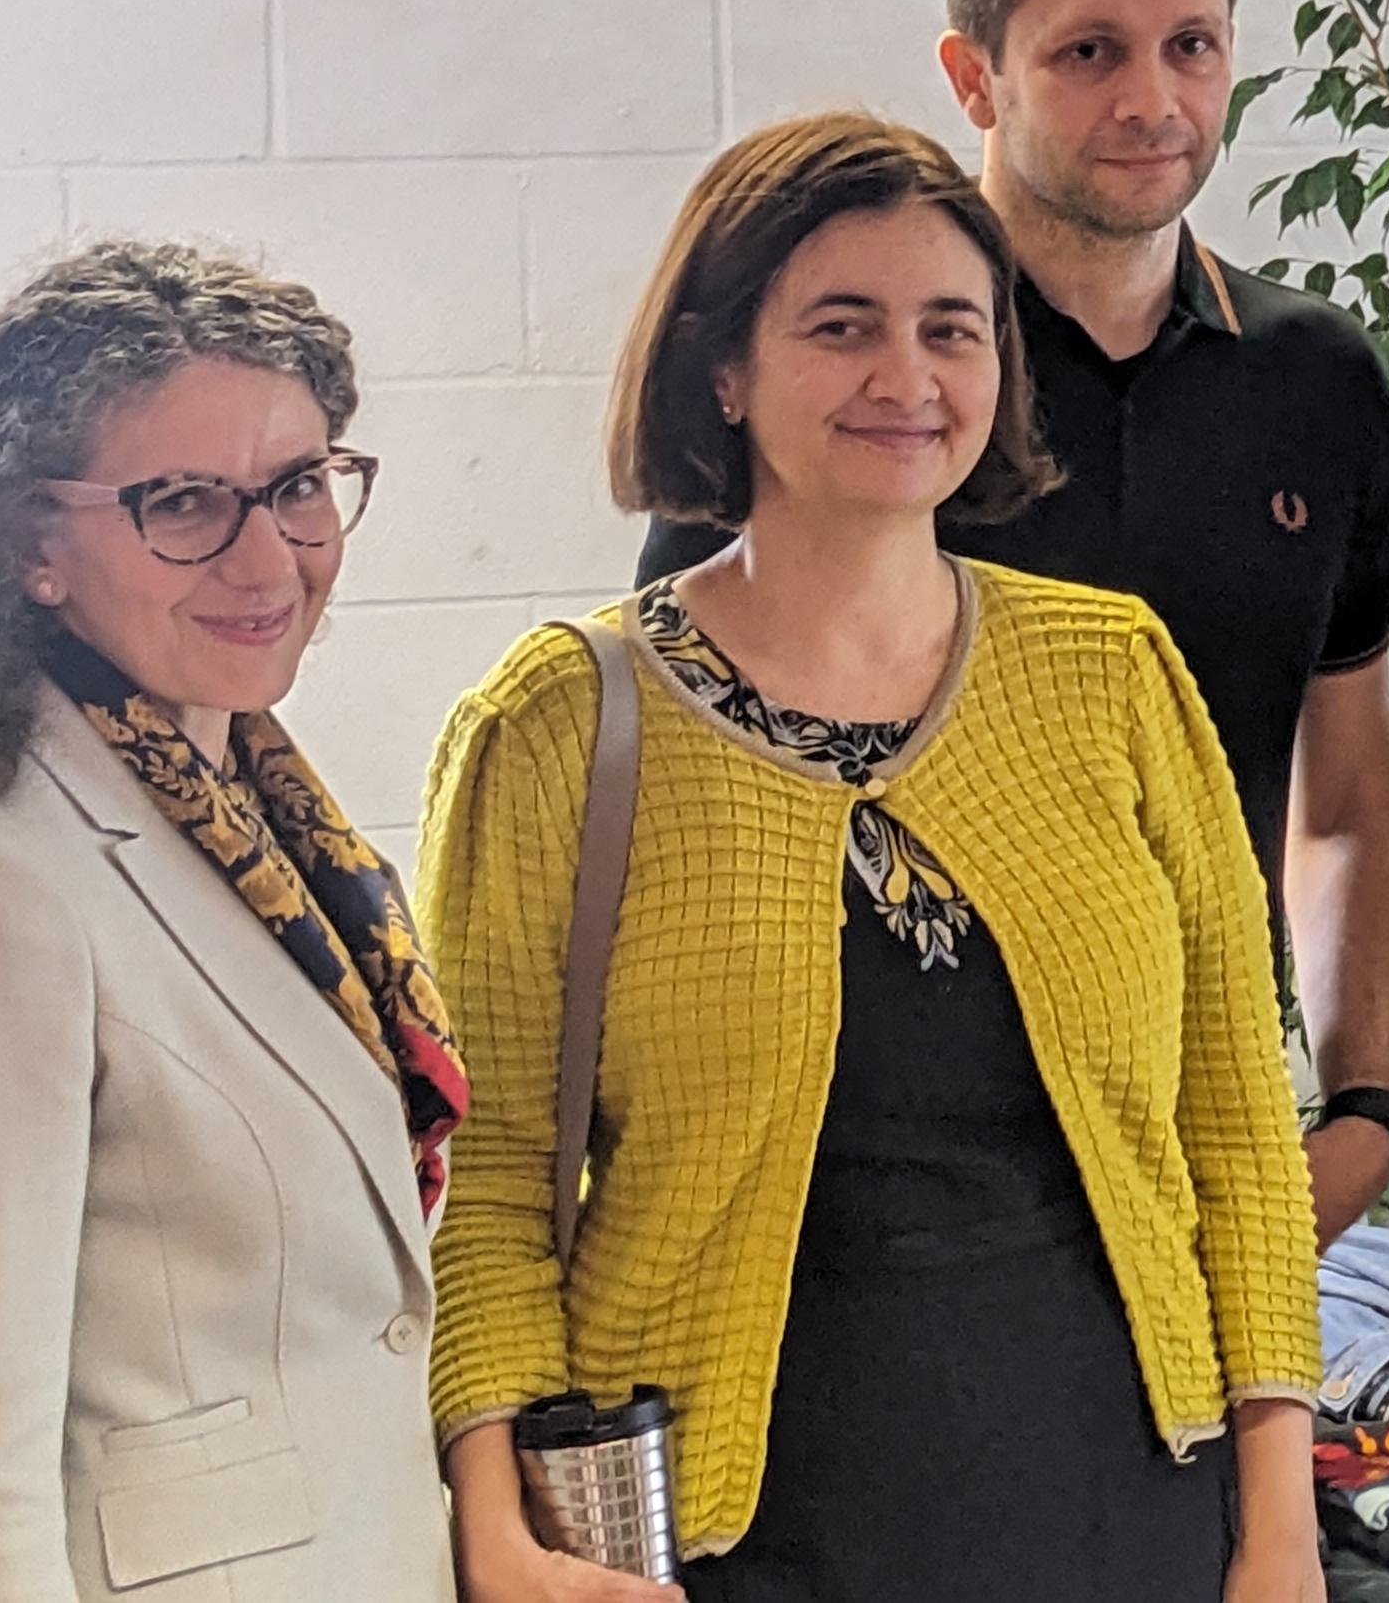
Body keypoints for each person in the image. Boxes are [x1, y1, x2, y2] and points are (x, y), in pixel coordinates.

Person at [420, 115, 1322, 1603]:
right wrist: (493, 1528)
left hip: (1128, 1504)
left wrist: (1279, 1530)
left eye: (951, 330)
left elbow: (1233, 1122)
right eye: (843, 328)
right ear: (723, 368)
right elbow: (497, 1178)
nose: (907, 379)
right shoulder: (558, 727)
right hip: (737, 1535)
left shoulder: (1114, 675)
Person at [640, 0, 1389, 1247]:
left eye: (1192, 45)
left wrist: (1361, 1119)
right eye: (1088, 53)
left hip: (1207, 1143)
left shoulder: (1312, 381)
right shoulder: (868, 391)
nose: (1153, 98)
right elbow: (700, 793)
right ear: (972, 76)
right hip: (889, 1178)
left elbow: (1349, 797)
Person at [0, 240, 460, 1601]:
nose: (267, 554)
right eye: (184, 502)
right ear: (34, 541)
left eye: (300, 487)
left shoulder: (252, 813)